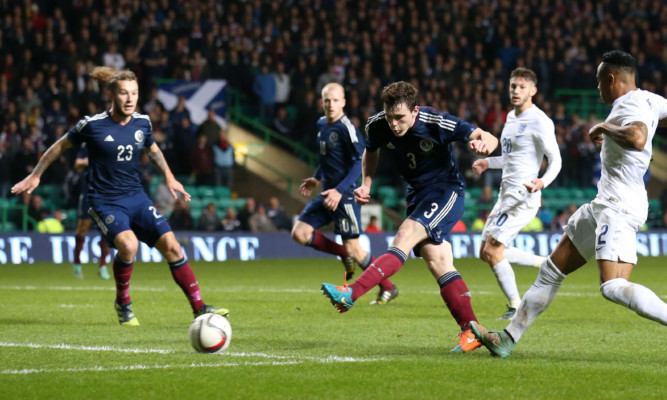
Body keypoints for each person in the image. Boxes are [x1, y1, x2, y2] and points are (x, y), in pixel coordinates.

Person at [471, 50, 667, 358]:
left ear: (612, 79)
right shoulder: (650, 101)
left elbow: (638, 137)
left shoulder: (630, 105)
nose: (597, 87)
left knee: (612, 287)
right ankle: (507, 339)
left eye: (599, 81)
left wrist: (604, 128)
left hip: (619, 207)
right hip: (603, 204)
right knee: (551, 270)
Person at [11, 67, 228, 326]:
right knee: (129, 245)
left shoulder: (143, 123)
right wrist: (36, 175)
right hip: (104, 200)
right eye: (124, 93)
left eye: (134, 93)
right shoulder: (91, 125)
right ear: (112, 95)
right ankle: (123, 303)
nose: (130, 99)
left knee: (172, 247)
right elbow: (59, 146)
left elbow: (153, 149)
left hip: (136, 197)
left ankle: (199, 308)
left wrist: (170, 177)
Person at [321, 81, 498, 352]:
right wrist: (366, 183)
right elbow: (371, 150)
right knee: (438, 261)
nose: (394, 124)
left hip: (445, 191)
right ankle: (471, 330)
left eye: (400, 117)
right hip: (416, 195)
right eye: (390, 116)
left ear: (415, 111)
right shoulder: (377, 125)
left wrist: (484, 144)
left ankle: (351, 292)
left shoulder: (436, 121)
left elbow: (486, 135)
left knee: (405, 234)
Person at [292, 82, 398, 304]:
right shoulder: (322, 124)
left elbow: (360, 160)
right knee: (299, 233)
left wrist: (339, 191)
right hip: (326, 194)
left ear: (343, 103)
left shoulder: (346, 127)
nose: (331, 104)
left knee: (356, 250)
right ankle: (343, 254)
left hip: (344, 195)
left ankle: (388, 287)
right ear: (322, 102)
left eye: (335, 100)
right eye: (327, 100)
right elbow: (326, 158)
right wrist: (316, 178)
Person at [471, 67, 562, 320]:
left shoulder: (540, 121)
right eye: (513, 86)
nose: (516, 91)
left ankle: (515, 307)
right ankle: (542, 264)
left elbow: (556, 160)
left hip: (523, 196)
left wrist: (542, 182)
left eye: (522, 87)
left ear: (533, 91)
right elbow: (512, 159)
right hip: (505, 195)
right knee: (483, 252)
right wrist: (489, 163)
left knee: (493, 252)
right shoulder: (510, 117)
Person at [71, 144, 111, 280]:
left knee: (107, 230)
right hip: (89, 191)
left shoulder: (113, 142)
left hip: (106, 192)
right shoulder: (88, 144)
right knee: (83, 227)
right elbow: (77, 164)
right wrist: (93, 160)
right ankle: (77, 264)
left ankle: (103, 265)